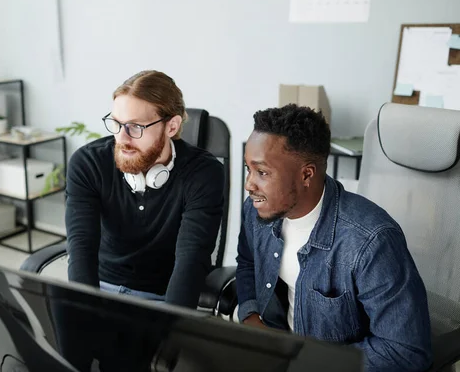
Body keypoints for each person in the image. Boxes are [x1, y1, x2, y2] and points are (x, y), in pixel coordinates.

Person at [236, 104, 432, 371]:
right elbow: (247, 262)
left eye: (262, 172)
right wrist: (251, 318)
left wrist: (307, 362)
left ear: (307, 174)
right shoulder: (257, 209)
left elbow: (404, 351)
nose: (249, 184)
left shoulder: (370, 242)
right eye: (248, 169)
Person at [65, 70, 224, 309]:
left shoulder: (203, 173)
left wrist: (169, 328)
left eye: (136, 127)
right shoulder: (88, 164)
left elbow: (191, 259)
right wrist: (86, 314)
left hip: (162, 300)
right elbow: (81, 248)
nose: (123, 138)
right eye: (116, 124)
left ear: (172, 126)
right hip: (100, 289)